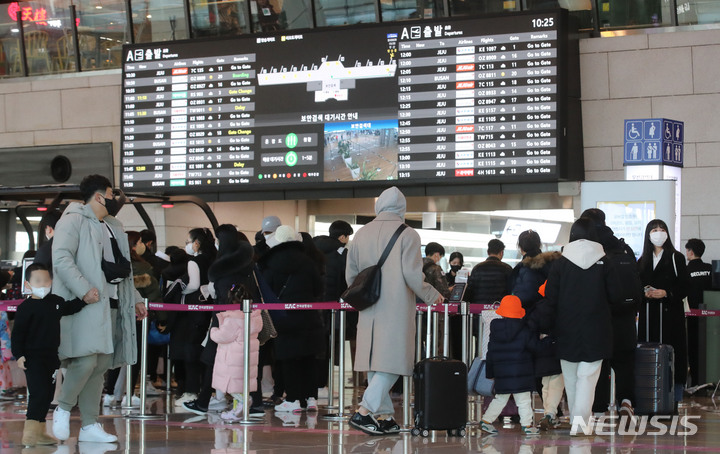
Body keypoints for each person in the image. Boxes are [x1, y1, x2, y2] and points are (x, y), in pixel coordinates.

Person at [51, 174, 147, 443]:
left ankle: (89, 424)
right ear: (98, 195)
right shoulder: (72, 220)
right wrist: (83, 289)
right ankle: (64, 407)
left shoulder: (114, 225)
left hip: (112, 301)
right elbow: (61, 258)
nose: (115, 198)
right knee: (85, 359)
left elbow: (122, 267)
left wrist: (136, 297)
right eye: (111, 192)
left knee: (102, 362)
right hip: (84, 302)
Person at [346, 186, 443, 436]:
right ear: (402, 208)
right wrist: (433, 295)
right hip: (396, 306)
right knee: (392, 362)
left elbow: (351, 276)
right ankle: (363, 412)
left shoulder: (360, 234)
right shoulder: (407, 234)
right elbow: (412, 274)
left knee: (376, 362)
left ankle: (385, 417)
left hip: (368, 307)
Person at [544, 218, 620, 432]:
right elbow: (615, 295)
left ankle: (577, 422)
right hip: (597, 328)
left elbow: (551, 296)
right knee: (587, 378)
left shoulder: (560, 263)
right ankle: (580, 423)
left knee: (571, 377)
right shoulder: (605, 261)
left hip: (566, 327)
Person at [11, 264, 92, 447]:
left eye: (46, 280)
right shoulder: (26, 308)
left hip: (51, 357)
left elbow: (69, 308)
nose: (43, 284)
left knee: (47, 395)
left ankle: (40, 431)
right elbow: (18, 334)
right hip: (33, 358)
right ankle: (30, 433)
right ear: (28, 284)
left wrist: (85, 300)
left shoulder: (55, 301)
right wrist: (20, 355)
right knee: (38, 393)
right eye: (38, 281)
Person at [183, 225, 258, 416]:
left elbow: (225, 299)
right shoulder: (245, 265)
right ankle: (255, 404)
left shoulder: (224, 270)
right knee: (246, 363)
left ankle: (203, 402)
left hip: (226, 321)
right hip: (245, 321)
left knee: (212, 359)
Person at [581, 208, 641, 419]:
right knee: (625, 362)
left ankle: (599, 408)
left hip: (600, 317)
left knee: (600, 364)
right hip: (625, 316)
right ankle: (626, 401)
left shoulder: (590, 247)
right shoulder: (624, 248)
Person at [259, 225, 325, 413]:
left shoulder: (271, 262)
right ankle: (311, 398)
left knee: (289, 359)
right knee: (308, 357)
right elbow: (318, 289)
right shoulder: (308, 261)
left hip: (283, 317)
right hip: (309, 317)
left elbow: (267, 290)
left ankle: (293, 399)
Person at [481, 295, 547, 436]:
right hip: (521, 373)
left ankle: (486, 421)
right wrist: (548, 341)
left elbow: (490, 353)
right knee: (523, 400)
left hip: (502, 374)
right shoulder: (525, 330)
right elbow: (535, 348)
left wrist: (490, 374)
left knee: (500, 399)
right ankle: (527, 425)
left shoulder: (495, 330)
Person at [638, 219, 689, 401]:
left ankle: (672, 398)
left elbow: (684, 286)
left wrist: (666, 293)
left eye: (661, 229)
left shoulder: (676, 258)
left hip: (670, 316)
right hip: (649, 315)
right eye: (654, 230)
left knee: (673, 354)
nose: (658, 233)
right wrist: (645, 294)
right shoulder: (642, 260)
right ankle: (648, 396)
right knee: (648, 352)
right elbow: (637, 285)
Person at [170, 228, 217, 408]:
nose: (188, 245)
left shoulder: (195, 261)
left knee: (190, 352)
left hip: (193, 312)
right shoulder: (215, 258)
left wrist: (180, 290)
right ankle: (210, 391)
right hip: (210, 309)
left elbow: (194, 284)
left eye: (188, 241)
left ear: (196, 243)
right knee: (207, 353)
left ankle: (190, 392)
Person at [211, 291, 263, 422]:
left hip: (232, 357)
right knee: (241, 384)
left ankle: (243, 402)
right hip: (246, 355)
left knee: (229, 384)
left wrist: (213, 330)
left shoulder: (233, 318)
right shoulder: (255, 316)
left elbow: (222, 336)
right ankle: (237, 410)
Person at [685, 238, 713, 386]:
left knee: (693, 346)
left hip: (691, 315)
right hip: (711, 318)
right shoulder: (710, 269)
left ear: (690, 252)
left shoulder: (686, 270)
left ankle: (695, 381)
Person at [510, 231, 560, 313]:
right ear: (539, 245)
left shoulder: (523, 268)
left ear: (520, 247)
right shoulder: (554, 264)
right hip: (551, 316)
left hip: (528, 318)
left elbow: (523, 297)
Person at [465, 239, 512, 305]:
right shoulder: (507, 269)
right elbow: (511, 291)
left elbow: (470, 291)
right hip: (500, 310)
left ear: (488, 252)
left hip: (480, 310)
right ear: (501, 252)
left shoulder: (477, 268)